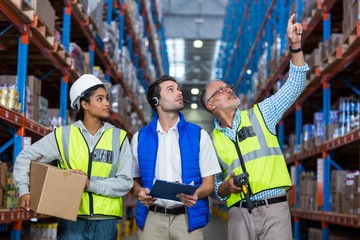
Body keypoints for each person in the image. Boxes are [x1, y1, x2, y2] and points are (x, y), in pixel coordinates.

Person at [199, 14, 309, 240]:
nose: (229, 90)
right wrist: (227, 187)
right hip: (239, 215)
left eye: (228, 87)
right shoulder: (209, 141)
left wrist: (296, 46)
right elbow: (215, 187)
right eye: (220, 90)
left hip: (274, 210)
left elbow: (295, 84)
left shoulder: (261, 114)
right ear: (210, 105)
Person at [13, 74, 133, 239]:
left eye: (107, 98)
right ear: (84, 104)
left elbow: (126, 182)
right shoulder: (63, 135)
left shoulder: (119, 137)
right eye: (100, 99)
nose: (107, 103)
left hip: (105, 223)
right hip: (71, 222)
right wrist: (23, 190)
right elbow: (25, 157)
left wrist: (90, 185)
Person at [130, 75, 221, 240]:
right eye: (170, 90)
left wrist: (197, 194)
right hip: (152, 218)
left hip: (187, 219)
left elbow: (209, 183)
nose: (179, 92)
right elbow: (133, 180)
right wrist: (139, 192)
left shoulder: (199, 135)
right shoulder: (139, 138)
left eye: (178, 89)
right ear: (156, 100)